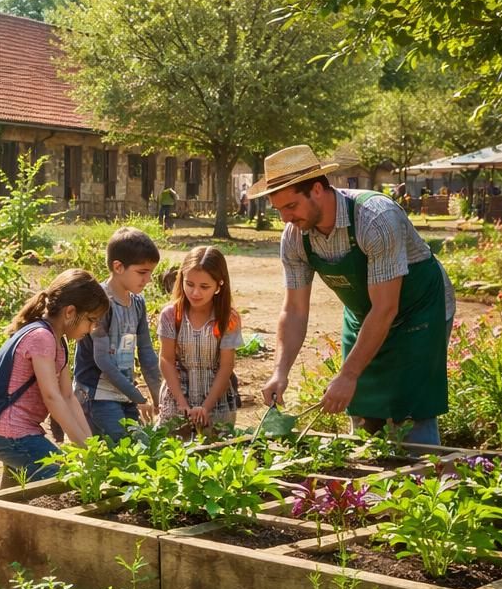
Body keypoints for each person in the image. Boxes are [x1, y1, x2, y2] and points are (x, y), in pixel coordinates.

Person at [252, 145, 454, 445]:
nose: (284, 218)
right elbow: (294, 310)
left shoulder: (375, 218)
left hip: (418, 313)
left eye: (291, 206)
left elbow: (386, 307)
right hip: (365, 315)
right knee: (361, 407)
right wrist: (280, 372)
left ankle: (421, 478)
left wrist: (348, 375)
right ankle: (367, 485)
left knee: (411, 409)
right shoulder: (295, 237)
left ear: (317, 189)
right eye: (278, 209)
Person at [0, 269, 106, 481]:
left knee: (14, 501)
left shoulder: (59, 341)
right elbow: (52, 397)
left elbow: (68, 396)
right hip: (13, 434)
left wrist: (90, 444)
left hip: (16, 433)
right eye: (91, 319)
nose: (93, 328)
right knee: (64, 479)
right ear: (70, 312)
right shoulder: (42, 337)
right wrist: (86, 450)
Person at [74, 228, 162, 442]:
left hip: (124, 392)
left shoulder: (137, 303)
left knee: (138, 447)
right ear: (118, 267)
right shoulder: (101, 303)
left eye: (150, 272)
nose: (148, 279)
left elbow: (147, 354)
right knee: (119, 451)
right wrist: (138, 397)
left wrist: (159, 397)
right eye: (142, 272)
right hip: (97, 394)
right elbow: (103, 360)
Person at [156, 247, 243, 436]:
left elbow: (226, 366)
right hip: (177, 397)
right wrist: (182, 403)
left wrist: (206, 406)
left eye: (204, 287)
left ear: (219, 285)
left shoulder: (228, 318)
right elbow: (166, 360)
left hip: (216, 398)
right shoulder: (171, 315)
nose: (195, 292)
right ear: (182, 279)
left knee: (215, 454)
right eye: (190, 284)